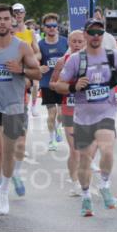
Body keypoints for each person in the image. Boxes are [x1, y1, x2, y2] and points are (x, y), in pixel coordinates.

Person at [52, 18, 117, 216]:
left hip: (107, 111)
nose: (96, 36)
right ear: (85, 35)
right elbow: (59, 84)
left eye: (99, 32)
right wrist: (73, 87)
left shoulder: (112, 55)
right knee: (84, 161)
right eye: (92, 32)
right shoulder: (76, 60)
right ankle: (85, 195)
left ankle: (104, 185)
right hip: (83, 116)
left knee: (107, 149)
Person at [0, 4, 42, 215]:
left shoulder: (22, 47)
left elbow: (38, 73)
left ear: (12, 21)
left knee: (9, 152)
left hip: (14, 105)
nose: (2, 22)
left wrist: (21, 69)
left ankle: (4, 191)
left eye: (6, 18)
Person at [50, 30, 86, 193]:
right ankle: (74, 182)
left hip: (88, 109)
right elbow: (52, 83)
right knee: (74, 148)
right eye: (74, 42)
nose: (77, 45)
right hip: (69, 106)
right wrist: (65, 87)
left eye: (80, 42)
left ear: (85, 42)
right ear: (68, 43)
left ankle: (85, 177)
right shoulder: (62, 61)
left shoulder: (93, 61)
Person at [10, 2, 41, 191]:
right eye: (15, 12)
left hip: (24, 79)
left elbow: (37, 52)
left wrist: (30, 63)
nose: (18, 15)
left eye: (20, 12)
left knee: (20, 138)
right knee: (6, 140)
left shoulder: (30, 33)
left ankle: (16, 173)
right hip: (6, 84)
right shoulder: (5, 32)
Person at [37, 12, 69, 151]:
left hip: (62, 83)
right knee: (52, 113)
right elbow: (35, 62)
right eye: (48, 26)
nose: (51, 28)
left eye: (54, 25)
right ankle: (51, 140)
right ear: (44, 28)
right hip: (47, 83)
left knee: (62, 113)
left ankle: (58, 127)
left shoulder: (65, 41)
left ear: (57, 27)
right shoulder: (40, 44)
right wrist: (39, 67)